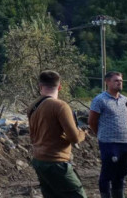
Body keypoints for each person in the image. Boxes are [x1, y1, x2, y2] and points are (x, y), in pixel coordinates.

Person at [27, 70, 88, 198]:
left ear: (40, 86)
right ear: (59, 86)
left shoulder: (33, 106)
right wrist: (83, 133)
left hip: (39, 161)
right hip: (56, 162)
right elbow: (74, 138)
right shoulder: (60, 106)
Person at [89, 71, 127, 198]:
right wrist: (101, 135)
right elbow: (92, 121)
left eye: (121, 80)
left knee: (121, 173)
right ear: (107, 82)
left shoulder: (125, 100)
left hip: (126, 142)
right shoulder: (100, 100)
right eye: (116, 80)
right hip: (109, 142)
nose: (119, 82)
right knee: (107, 174)